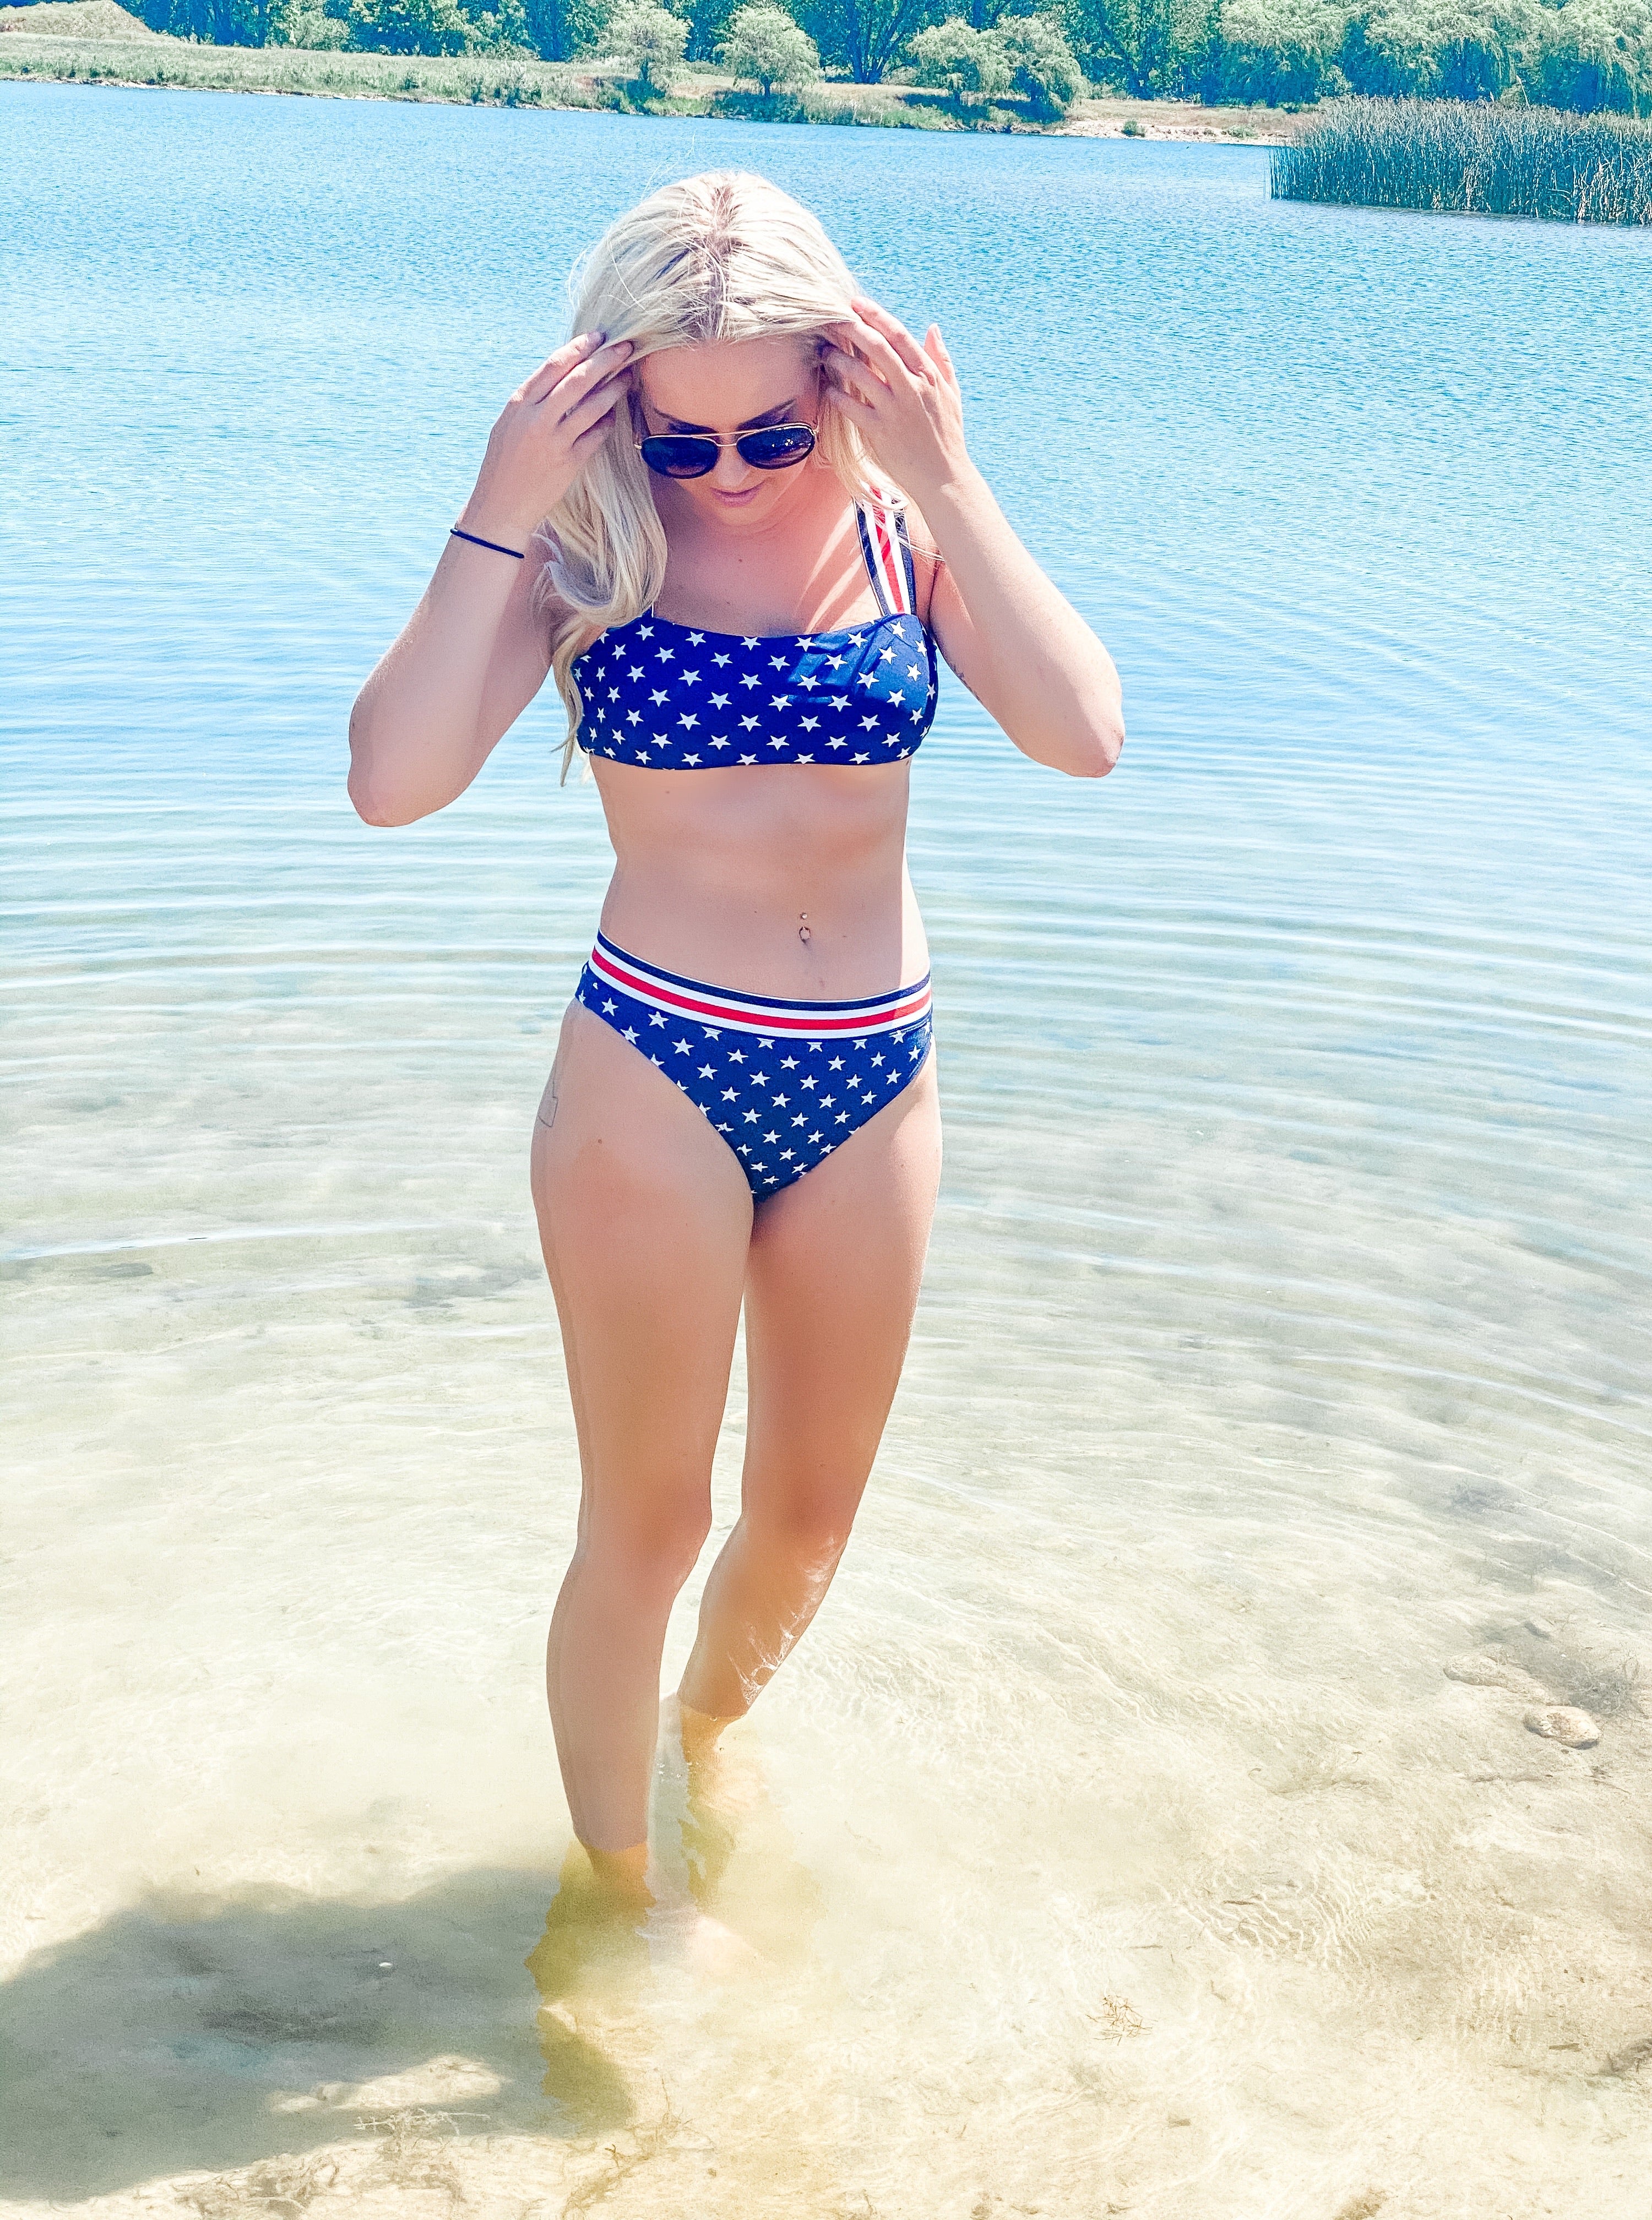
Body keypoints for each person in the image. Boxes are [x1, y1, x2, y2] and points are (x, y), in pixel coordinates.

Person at [348, 170, 1122, 1909]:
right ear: (611, 398)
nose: (721, 476)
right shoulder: (583, 546)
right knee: (651, 1521)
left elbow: (1084, 736)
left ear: (841, 378)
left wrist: (948, 472)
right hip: (656, 1076)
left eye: (767, 435)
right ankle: (614, 1897)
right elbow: (392, 787)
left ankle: (705, 1742)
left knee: (809, 1520)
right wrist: (499, 502)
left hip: (877, 1070)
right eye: (678, 439)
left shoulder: (901, 536)